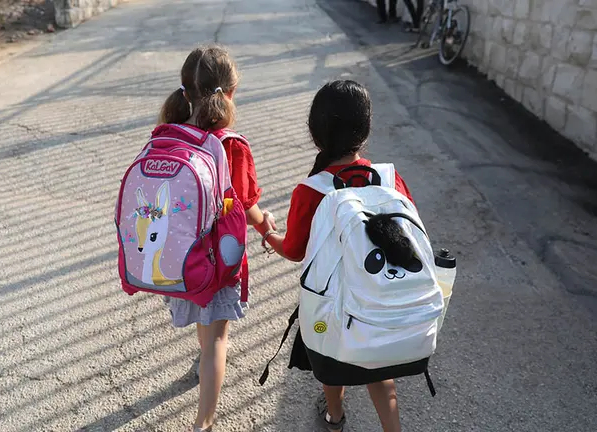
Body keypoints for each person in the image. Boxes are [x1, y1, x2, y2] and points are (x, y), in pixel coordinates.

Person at [263, 80, 415, 432]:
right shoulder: (391, 179)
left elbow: (294, 250)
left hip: (333, 305)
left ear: (316, 133)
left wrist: (268, 233)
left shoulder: (311, 190)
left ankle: (335, 417)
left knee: (331, 361)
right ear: (364, 131)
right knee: (382, 372)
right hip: (380, 300)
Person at [158, 45, 274, 432]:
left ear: (185, 92)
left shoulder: (172, 134)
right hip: (217, 262)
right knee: (217, 343)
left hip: (180, 258)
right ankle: (203, 424)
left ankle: (202, 358)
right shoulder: (230, 145)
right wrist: (266, 225)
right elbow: (246, 204)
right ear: (230, 92)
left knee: (204, 331)